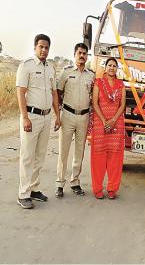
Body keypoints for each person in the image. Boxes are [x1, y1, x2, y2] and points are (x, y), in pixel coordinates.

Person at [16, 34, 61, 209]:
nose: (44, 50)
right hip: (31, 116)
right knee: (27, 156)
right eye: (41, 47)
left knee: (40, 156)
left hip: (46, 116)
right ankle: (23, 194)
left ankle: (34, 189)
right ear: (35, 47)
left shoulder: (50, 68)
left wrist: (58, 115)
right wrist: (25, 117)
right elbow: (21, 92)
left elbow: (54, 93)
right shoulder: (26, 66)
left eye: (46, 47)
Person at [55, 43, 95, 198]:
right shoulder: (66, 72)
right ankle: (60, 183)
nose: (82, 56)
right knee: (63, 151)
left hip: (83, 117)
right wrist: (59, 111)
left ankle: (75, 182)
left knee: (79, 151)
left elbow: (93, 94)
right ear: (74, 54)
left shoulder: (91, 75)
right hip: (68, 115)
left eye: (85, 53)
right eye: (80, 53)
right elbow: (58, 92)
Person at [90, 57, 126, 199]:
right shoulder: (98, 82)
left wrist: (113, 121)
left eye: (114, 66)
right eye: (109, 65)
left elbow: (122, 105)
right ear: (105, 68)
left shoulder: (121, 84)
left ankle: (112, 189)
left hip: (116, 124)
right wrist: (105, 121)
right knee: (98, 156)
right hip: (100, 124)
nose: (111, 68)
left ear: (117, 69)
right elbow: (95, 103)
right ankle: (97, 189)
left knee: (115, 157)